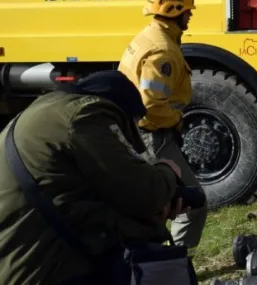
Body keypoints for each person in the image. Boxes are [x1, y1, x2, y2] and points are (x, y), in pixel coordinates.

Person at [0, 70, 187, 285]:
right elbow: (147, 193)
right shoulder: (85, 116)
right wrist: (168, 172)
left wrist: (148, 221)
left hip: (19, 263)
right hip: (48, 270)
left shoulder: (44, 113)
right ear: (123, 110)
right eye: (135, 121)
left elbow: (74, 199)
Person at [117, 0, 207, 249]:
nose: (190, 15)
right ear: (173, 9)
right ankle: (173, 264)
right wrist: (177, 120)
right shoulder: (162, 52)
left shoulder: (150, 36)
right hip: (153, 135)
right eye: (187, 11)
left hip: (142, 133)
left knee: (156, 205)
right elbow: (152, 107)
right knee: (193, 203)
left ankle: (154, 261)